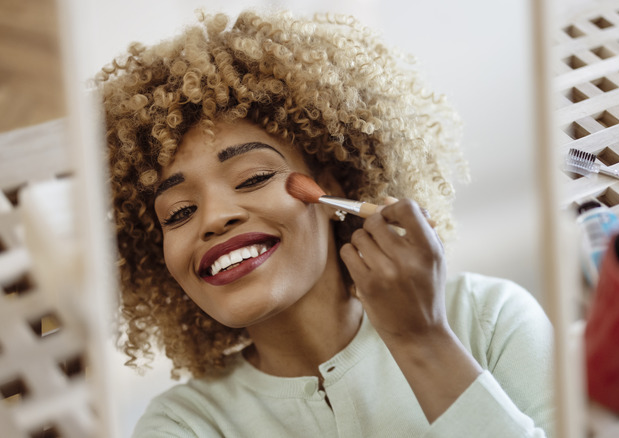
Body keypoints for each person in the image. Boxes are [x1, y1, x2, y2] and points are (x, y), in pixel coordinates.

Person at [97, 9, 554, 437]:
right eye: (178, 213)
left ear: (332, 187)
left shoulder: (487, 319)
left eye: (253, 177)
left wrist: (423, 341)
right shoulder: (185, 425)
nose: (214, 218)